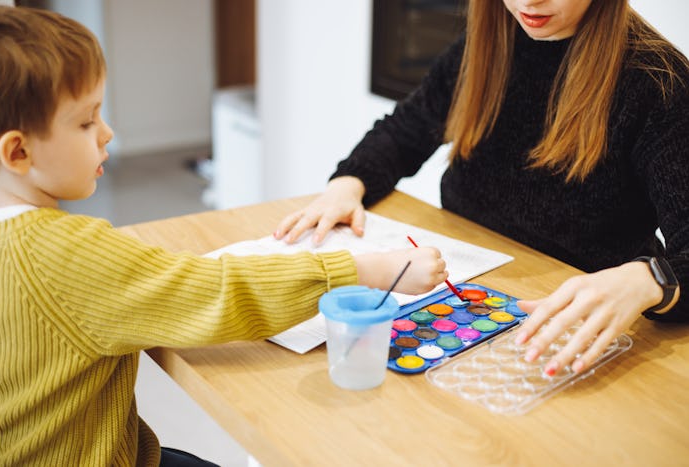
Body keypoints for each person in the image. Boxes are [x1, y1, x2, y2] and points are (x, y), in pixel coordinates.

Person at [0, 6, 449, 466]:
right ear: (19, 150)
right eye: (87, 121)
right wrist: (367, 269)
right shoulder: (67, 256)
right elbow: (221, 293)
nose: (107, 132)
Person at [275, 0, 689, 378]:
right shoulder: (489, 41)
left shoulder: (659, 82)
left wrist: (648, 280)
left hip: (569, 330)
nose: (529, 1)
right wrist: (348, 183)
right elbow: (406, 130)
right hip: (464, 300)